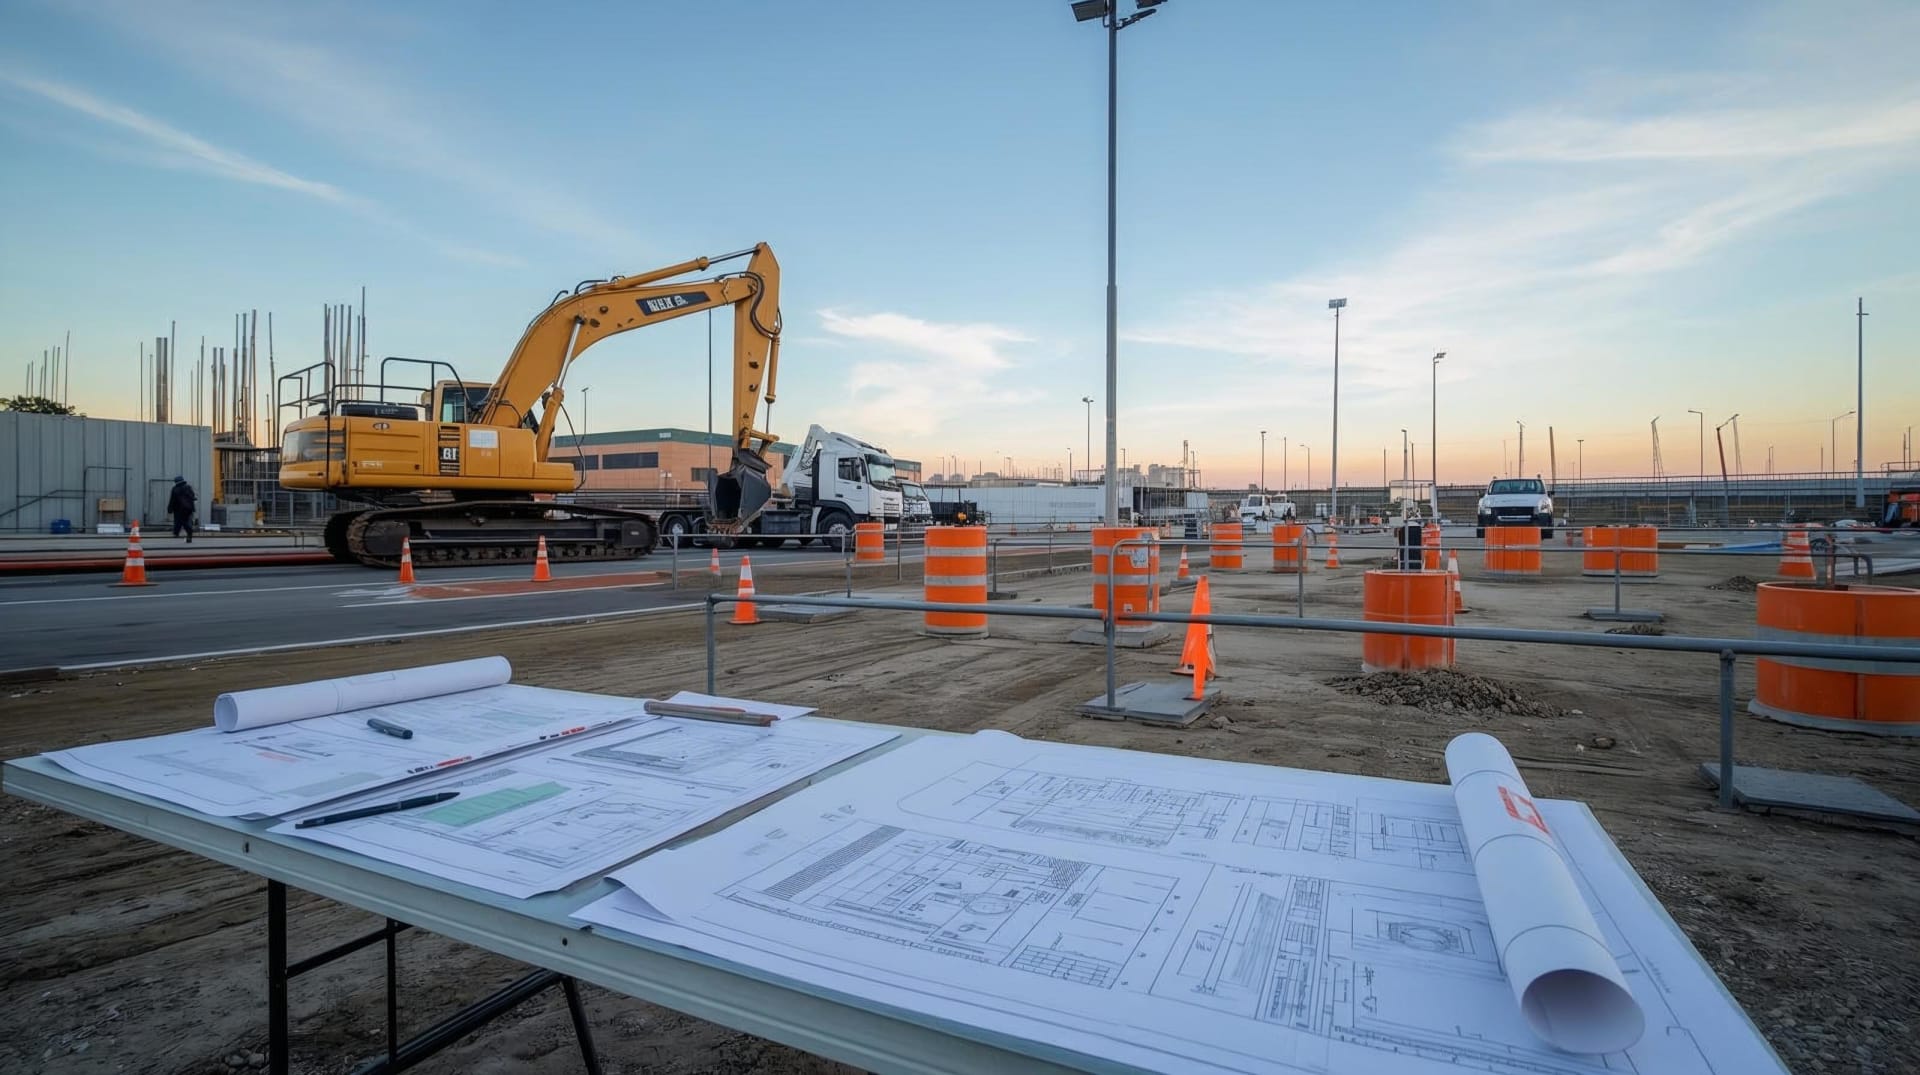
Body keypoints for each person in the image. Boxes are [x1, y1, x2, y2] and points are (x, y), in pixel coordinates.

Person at [167, 476, 197, 542]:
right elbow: (192, 496)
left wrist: (170, 509)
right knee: (187, 522)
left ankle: (177, 533)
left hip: (178, 509)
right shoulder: (188, 487)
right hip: (188, 509)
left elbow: (172, 500)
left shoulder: (175, 489)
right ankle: (188, 534)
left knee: (179, 521)